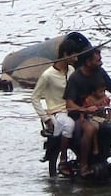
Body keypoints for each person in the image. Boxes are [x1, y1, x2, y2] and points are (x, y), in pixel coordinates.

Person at [63, 45, 111, 177]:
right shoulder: (75, 78)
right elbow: (69, 104)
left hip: (101, 114)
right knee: (91, 129)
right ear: (88, 61)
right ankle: (84, 165)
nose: (100, 61)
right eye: (97, 59)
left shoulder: (100, 72)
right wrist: (85, 109)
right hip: (80, 116)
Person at [37, 32, 90, 167]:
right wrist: (45, 118)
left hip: (72, 108)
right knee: (69, 125)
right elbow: (34, 98)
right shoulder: (47, 75)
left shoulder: (72, 70)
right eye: (74, 55)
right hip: (57, 112)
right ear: (66, 54)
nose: (77, 59)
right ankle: (63, 159)